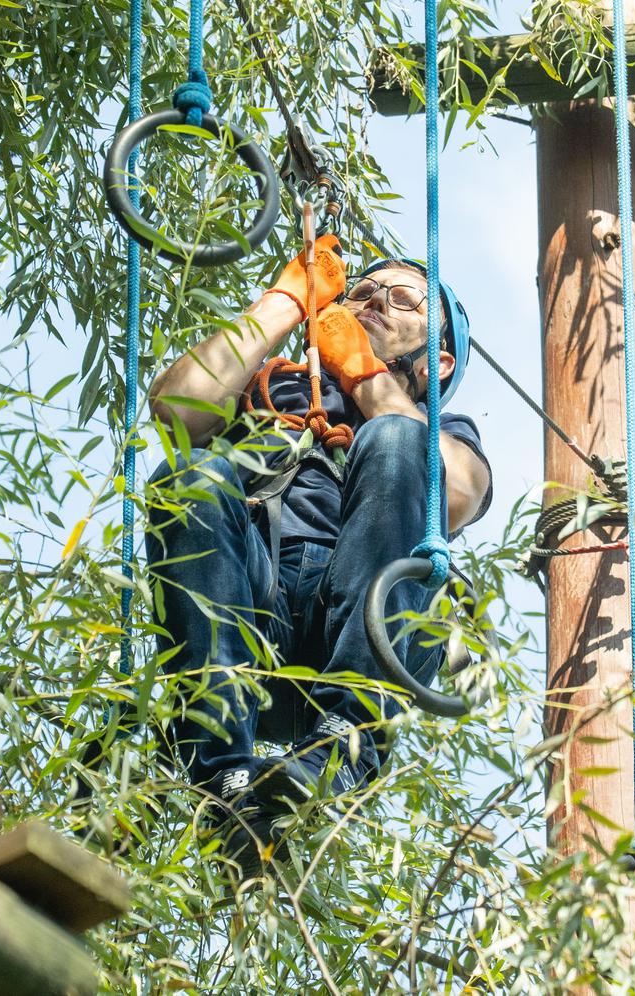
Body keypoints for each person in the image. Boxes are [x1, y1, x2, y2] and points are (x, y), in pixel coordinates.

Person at [146, 236, 492, 878]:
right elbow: (174, 410)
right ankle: (224, 776)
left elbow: (457, 492)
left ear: (436, 361)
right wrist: (288, 301)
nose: (371, 304)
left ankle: (349, 736)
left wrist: (365, 377)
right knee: (190, 480)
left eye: (399, 300)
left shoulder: (439, 426)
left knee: (393, 438)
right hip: (251, 615)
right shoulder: (266, 395)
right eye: (359, 293)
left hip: (362, 630)